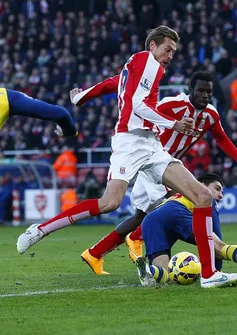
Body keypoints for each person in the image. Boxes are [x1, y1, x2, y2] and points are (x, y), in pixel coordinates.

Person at [17, 25, 236, 288]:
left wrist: (81, 98)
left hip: (151, 144)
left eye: (174, 51)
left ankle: (210, 275)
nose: (170, 56)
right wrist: (173, 124)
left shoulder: (135, 65)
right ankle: (41, 229)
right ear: (152, 46)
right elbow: (138, 106)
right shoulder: (149, 62)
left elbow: (113, 84)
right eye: (167, 49)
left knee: (202, 196)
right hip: (129, 142)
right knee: (110, 202)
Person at [73, 71, 237, 275]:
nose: (205, 95)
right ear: (190, 90)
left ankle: (95, 253)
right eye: (200, 90)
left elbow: (222, 139)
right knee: (173, 200)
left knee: (140, 216)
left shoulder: (211, 116)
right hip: (153, 163)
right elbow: (141, 112)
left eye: (208, 92)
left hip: (169, 168)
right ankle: (136, 239)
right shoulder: (172, 104)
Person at [136, 173, 237, 287]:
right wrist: (217, 270)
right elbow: (213, 236)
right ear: (202, 185)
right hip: (175, 212)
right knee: (220, 247)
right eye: (217, 189)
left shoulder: (181, 194)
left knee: (164, 274)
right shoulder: (205, 196)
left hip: (151, 220)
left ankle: (149, 270)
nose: (221, 195)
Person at [0, 88, 77, 137]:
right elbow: (61, 114)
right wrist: (69, 131)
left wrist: (69, 132)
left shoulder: (5, 99)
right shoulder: (6, 98)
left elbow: (61, 114)